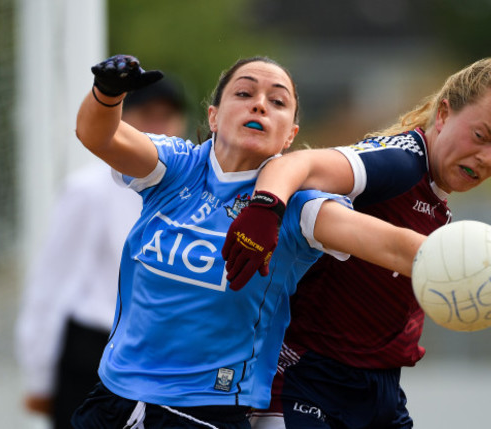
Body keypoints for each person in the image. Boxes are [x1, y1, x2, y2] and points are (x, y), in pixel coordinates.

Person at [68, 54, 433, 429]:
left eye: (277, 102)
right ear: (213, 116)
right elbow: (97, 134)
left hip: (204, 411)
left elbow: (394, 247)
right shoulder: (178, 166)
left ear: (290, 134)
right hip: (113, 396)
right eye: (244, 92)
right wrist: (107, 94)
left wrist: (477, 269)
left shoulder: (297, 205)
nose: (260, 104)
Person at [222, 57, 491, 428]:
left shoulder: (432, 193)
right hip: (308, 383)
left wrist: (475, 279)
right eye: (481, 136)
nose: (486, 158)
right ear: (444, 114)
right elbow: (299, 164)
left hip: (377, 391)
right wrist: (267, 207)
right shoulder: (400, 161)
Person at [15, 77, 188, 429]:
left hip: (162, 359)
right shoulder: (89, 189)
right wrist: (40, 375)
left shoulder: (191, 194)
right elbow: (50, 283)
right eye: (147, 114)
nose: (158, 126)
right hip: (93, 356)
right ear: (123, 121)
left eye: (167, 116)